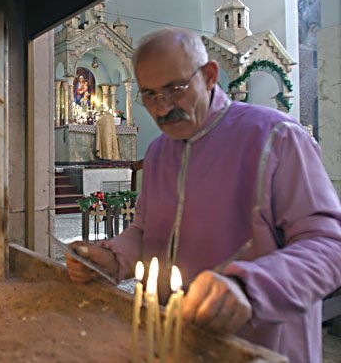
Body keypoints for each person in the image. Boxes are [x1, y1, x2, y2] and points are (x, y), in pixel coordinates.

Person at [66, 27, 341, 363]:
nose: (162, 108)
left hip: (258, 346)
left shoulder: (277, 138)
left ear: (210, 75)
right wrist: (113, 257)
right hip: (169, 340)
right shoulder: (157, 153)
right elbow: (144, 231)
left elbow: (329, 246)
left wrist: (249, 288)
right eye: (149, 95)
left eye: (175, 89)